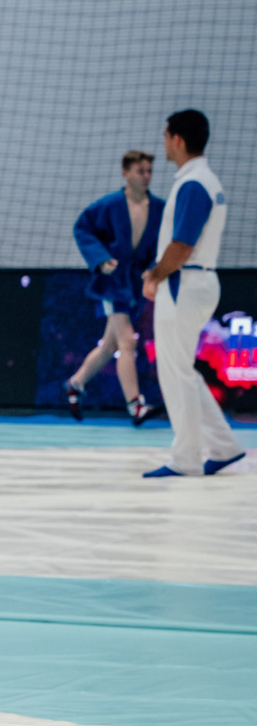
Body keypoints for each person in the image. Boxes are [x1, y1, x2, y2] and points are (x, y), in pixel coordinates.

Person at [142, 110, 243, 478]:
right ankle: (224, 446)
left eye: (166, 136)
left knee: (175, 374)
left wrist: (154, 275)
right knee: (181, 370)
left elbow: (182, 244)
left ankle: (185, 458)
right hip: (196, 280)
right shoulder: (204, 180)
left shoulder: (194, 183)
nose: (164, 143)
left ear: (178, 140)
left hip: (183, 282)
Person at [67, 151, 163, 424]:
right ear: (125, 173)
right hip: (113, 283)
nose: (146, 176)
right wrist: (100, 259)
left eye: (149, 171)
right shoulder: (109, 205)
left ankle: (76, 383)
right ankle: (135, 404)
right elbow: (82, 228)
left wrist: (154, 268)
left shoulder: (159, 208)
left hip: (135, 283)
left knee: (110, 346)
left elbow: (164, 242)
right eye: (140, 171)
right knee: (127, 342)